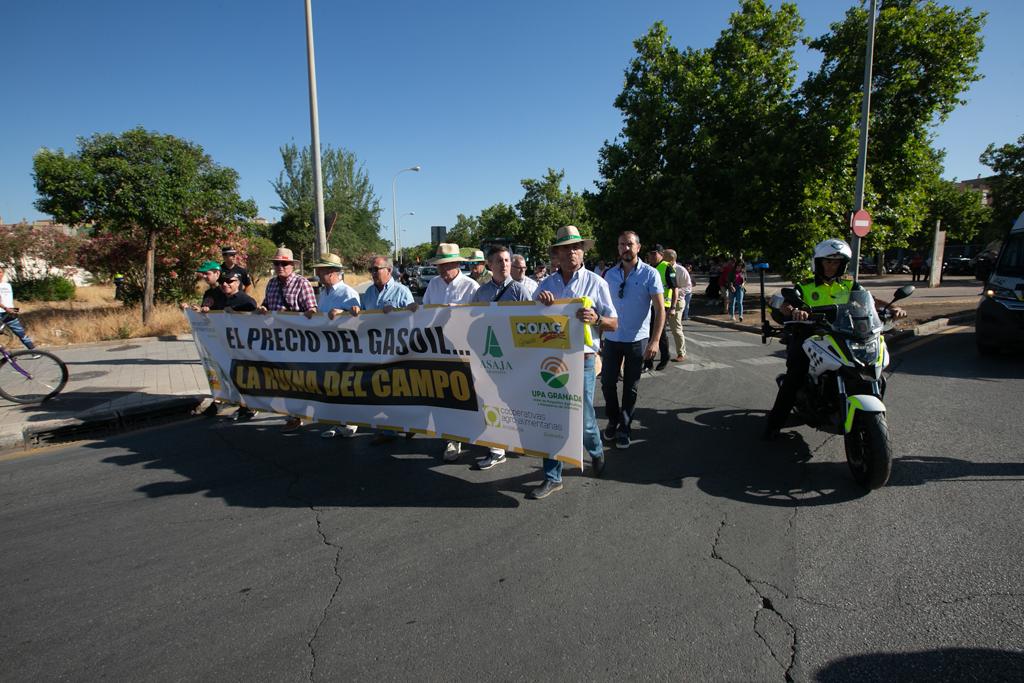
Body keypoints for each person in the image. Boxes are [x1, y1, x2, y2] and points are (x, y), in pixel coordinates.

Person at [763, 238, 907, 440]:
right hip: (810, 336)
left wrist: (892, 309)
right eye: (828, 262)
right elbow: (787, 304)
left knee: (871, 371)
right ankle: (773, 425)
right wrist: (795, 311)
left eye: (836, 263)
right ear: (818, 263)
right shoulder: (806, 286)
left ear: (842, 265)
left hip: (843, 335)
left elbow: (870, 300)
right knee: (795, 375)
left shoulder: (848, 285)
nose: (832, 266)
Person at [532, 226, 618, 499]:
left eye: (576, 247)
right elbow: (530, 324)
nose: (572, 252)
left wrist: (597, 320)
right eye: (566, 248)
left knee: (582, 417)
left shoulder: (596, 282)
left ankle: (595, 449)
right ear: (556, 254)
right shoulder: (545, 286)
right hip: (551, 358)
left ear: (583, 252)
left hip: (583, 358)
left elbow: (614, 323)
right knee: (551, 417)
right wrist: (540, 306)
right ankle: (552, 476)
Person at [601, 232, 663, 450]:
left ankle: (624, 428)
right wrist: (600, 336)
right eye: (621, 245)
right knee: (607, 383)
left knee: (631, 387)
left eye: (629, 244)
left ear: (638, 247)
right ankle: (613, 419)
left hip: (637, 340)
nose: (625, 248)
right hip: (612, 337)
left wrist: (655, 341)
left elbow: (660, 309)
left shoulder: (650, 274)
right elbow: (602, 307)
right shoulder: (608, 274)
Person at [417, 243, 479, 460]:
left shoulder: (471, 287)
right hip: (439, 348)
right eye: (439, 266)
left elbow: (479, 318)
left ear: (456, 264)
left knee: (467, 395)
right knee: (445, 396)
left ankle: (471, 434)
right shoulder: (433, 285)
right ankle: (451, 439)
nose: (442, 270)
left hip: (465, 350)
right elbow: (425, 312)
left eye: (445, 265)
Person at [470, 245, 529, 470]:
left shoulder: (520, 291)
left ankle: (519, 439)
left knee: (515, 401)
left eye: (507, 260)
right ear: (489, 265)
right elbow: (472, 321)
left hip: (515, 356)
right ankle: (497, 449)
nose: (505, 264)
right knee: (491, 401)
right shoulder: (481, 293)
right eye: (500, 260)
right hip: (489, 356)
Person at [256, 246, 317, 432]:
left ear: (292, 265)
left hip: (298, 340)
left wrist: (291, 314)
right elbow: (267, 303)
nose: (280, 266)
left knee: (300, 378)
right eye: (277, 263)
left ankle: (303, 412)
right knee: (284, 378)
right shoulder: (271, 283)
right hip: (277, 340)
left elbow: (313, 311)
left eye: (284, 263)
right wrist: (263, 309)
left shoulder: (302, 283)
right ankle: (294, 414)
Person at [358, 254, 415, 445]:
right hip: (376, 351)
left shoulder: (402, 291)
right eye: (371, 270)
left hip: (398, 350)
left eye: (376, 269)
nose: (373, 273)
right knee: (382, 390)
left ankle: (409, 425)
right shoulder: (368, 294)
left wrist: (396, 314)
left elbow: (413, 319)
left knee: (401, 390)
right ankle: (388, 430)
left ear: (388, 270)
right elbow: (363, 320)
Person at [307, 253, 361, 439]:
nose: (318, 273)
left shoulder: (348, 293)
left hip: (344, 349)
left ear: (332, 272)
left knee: (345, 386)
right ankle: (337, 422)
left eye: (321, 270)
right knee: (331, 386)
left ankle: (350, 421)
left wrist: (343, 312)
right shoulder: (324, 293)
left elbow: (358, 320)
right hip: (327, 348)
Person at [644, 244, 676, 371]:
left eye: (654, 253)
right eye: (650, 253)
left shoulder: (667, 267)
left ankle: (663, 357)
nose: (651, 256)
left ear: (661, 254)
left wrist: (673, 307)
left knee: (659, 334)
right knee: (649, 332)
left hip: (663, 306)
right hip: (650, 305)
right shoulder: (649, 268)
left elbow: (675, 289)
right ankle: (648, 361)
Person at [0, 266, 36, 350]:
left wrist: (12, 309)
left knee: (20, 332)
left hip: (9, 313)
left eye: (0, 272)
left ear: (3, 273)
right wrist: (5, 308)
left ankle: (33, 351)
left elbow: (8, 299)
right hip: (2, 312)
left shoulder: (7, 285)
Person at [663, 249, 689, 362]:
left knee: (676, 329)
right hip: (664, 302)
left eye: (664, 256)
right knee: (659, 329)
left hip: (677, 302)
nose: (662, 257)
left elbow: (688, 287)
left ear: (672, 258)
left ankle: (681, 353)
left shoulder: (680, 270)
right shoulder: (663, 267)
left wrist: (676, 292)